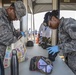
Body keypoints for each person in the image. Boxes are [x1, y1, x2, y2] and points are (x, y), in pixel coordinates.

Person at [47, 10, 76, 74]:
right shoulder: (61, 27)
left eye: (49, 24)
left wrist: (59, 47)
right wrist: (57, 48)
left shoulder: (69, 24)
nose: (50, 27)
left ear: (54, 19)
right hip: (70, 61)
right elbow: (66, 41)